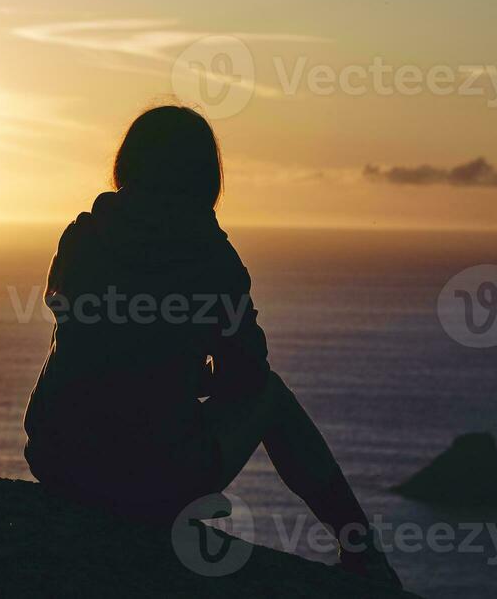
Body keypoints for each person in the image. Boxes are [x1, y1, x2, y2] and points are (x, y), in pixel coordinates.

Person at [22, 105, 402, 587]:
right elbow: (247, 375)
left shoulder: (83, 235)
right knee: (272, 396)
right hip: (148, 482)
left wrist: (162, 362)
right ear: (205, 176)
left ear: (129, 163)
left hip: (56, 459)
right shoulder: (211, 257)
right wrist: (184, 371)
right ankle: (361, 551)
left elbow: (73, 319)